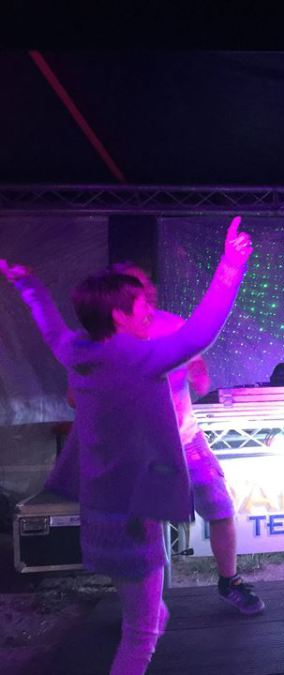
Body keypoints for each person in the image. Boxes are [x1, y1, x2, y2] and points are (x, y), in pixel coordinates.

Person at [0, 217, 253, 675]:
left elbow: (50, 327)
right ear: (119, 315)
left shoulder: (78, 351)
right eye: (141, 306)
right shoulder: (138, 358)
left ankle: (156, 613)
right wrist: (230, 266)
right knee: (141, 636)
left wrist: (29, 286)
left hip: (101, 516)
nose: (148, 313)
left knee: (150, 614)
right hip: (135, 524)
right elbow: (201, 333)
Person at [109, 262, 263, 615]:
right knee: (143, 526)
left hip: (186, 439)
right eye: (137, 289)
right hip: (139, 450)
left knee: (220, 507)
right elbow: (76, 396)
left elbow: (199, 374)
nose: (147, 293)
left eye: (146, 286)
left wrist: (196, 372)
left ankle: (229, 581)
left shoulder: (172, 324)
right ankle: (145, 604)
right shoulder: (105, 339)